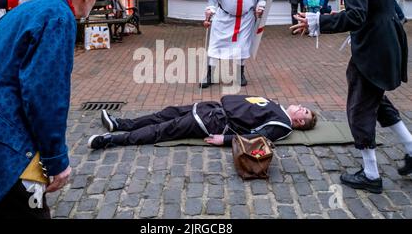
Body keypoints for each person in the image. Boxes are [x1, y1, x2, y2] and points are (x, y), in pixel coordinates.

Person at [0, 0, 112, 219]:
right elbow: (45, 93)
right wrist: (57, 161)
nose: (95, 2)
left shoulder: (34, 6)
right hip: (2, 139)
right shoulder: (59, 17)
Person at [291, 0, 410, 194]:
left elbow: (356, 16)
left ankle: (371, 174)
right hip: (383, 44)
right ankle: (411, 147)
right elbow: (373, 11)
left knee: (358, 107)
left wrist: (318, 21)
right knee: (376, 101)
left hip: (373, 50)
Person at [88, 95, 317, 149]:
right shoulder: (278, 106)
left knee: (163, 130)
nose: (300, 106)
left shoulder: (282, 125)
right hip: (212, 107)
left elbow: (259, 139)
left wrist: (225, 139)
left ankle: (112, 140)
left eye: (304, 111)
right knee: (164, 114)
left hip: (215, 122)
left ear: (298, 122)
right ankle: (120, 123)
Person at [201, 0, 266, 88]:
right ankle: (210, 75)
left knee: (242, 46)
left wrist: (260, 5)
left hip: (245, 18)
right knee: (215, 45)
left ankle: (239, 74)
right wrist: (211, 8)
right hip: (224, 17)